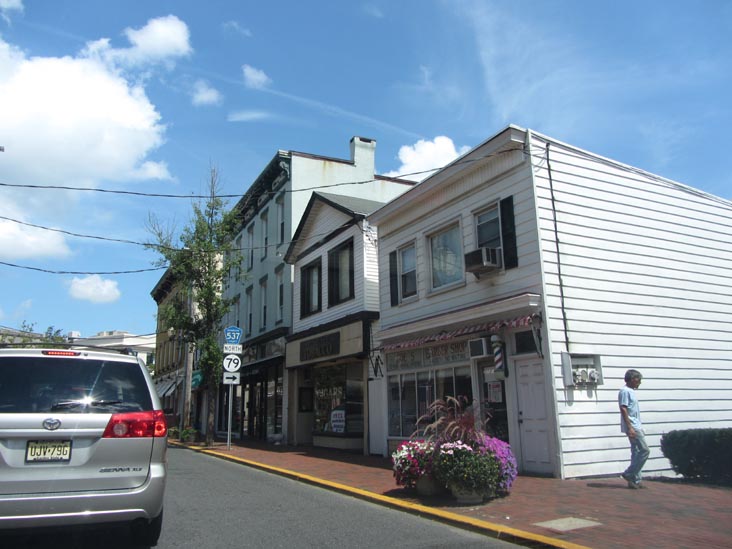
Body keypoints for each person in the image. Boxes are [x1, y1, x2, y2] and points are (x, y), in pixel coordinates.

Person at [618, 369, 650, 489]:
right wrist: (630, 427)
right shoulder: (625, 391)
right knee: (645, 450)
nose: (640, 382)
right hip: (633, 426)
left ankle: (635, 480)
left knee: (636, 452)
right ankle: (629, 473)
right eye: (638, 380)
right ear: (632, 379)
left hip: (636, 425)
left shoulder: (630, 391)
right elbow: (623, 408)